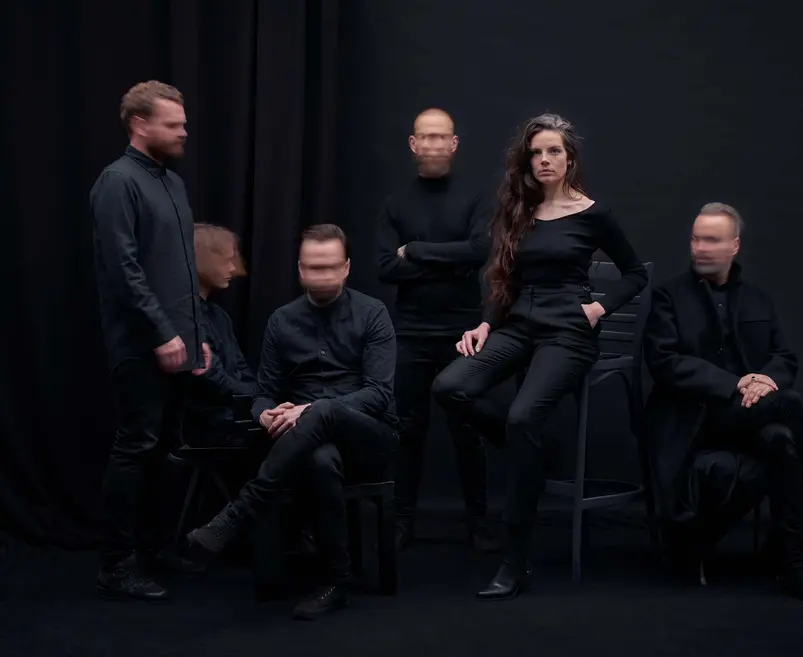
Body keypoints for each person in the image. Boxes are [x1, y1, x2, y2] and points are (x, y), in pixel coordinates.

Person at [431, 114, 648, 600]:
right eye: (536, 152)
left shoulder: (593, 213)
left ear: (569, 159)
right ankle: (528, 447)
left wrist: (599, 308)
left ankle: (514, 560)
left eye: (553, 151)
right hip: (518, 324)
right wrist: (486, 323)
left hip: (568, 331)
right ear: (527, 161)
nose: (544, 160)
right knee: (449, 386)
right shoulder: (521, 209)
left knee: (523, 416)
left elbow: (636, 274)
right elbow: (506, 277)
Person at [643, 202, 803, 601]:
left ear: (734, 245)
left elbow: (783, 357)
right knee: (787, 404)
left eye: (712, 240)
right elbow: (665, 362)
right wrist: (737, 383)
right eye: (695, 239)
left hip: (751, 415)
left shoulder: (757, 298)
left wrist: (765, 381)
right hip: (695, 419)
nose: (700, 248)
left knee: (781, 438)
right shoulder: (668, 297)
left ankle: (794, 566)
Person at [186, 224, 399, 621]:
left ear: (346, 267)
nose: (323, 276)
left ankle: (237, 514)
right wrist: (263, 413)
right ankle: (337, 582)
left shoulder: (373, 314)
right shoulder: (282, 321)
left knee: (322, 411)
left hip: (369, 438)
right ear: (300, 270)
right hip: (310, 444)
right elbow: (263, 391)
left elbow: (378, 394)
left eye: (331, 267)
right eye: (314, 268)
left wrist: (310, 409)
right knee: (319, 458)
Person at [91, 80, 211, 602]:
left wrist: (197, 335)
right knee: (136, 447)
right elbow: (123, 270)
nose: (184, 132)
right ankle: (117, 565)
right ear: (140, 124)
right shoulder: (117, 182)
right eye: (173, 124)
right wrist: (163, 333)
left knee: (167, 451)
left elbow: (182, 272)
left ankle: (157, 550)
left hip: (179, 342)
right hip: (141, 345)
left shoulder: (174, 183)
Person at [377, 108, 498, 552]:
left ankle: (479, 523)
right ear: (413, 144)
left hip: (463, 330)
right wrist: (451, 261)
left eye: (440, 136)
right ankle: (402, 521)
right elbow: (385, 267)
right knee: (408, 429)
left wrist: (415, 250)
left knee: (467, 430)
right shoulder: (395, 203)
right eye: (425, 137)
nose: (432, 144)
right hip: (410, 330)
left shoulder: (475, 198)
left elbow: (479, 251)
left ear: (454, 143)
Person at [183, 223, 260, 447]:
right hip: (204, 430)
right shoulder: (183, 318)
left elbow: (243, 373)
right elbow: (212, 383)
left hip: (231, 420)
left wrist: (256, 394)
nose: (233, 268)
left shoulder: (219, 316)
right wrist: (255, 395)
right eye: (225, 260)